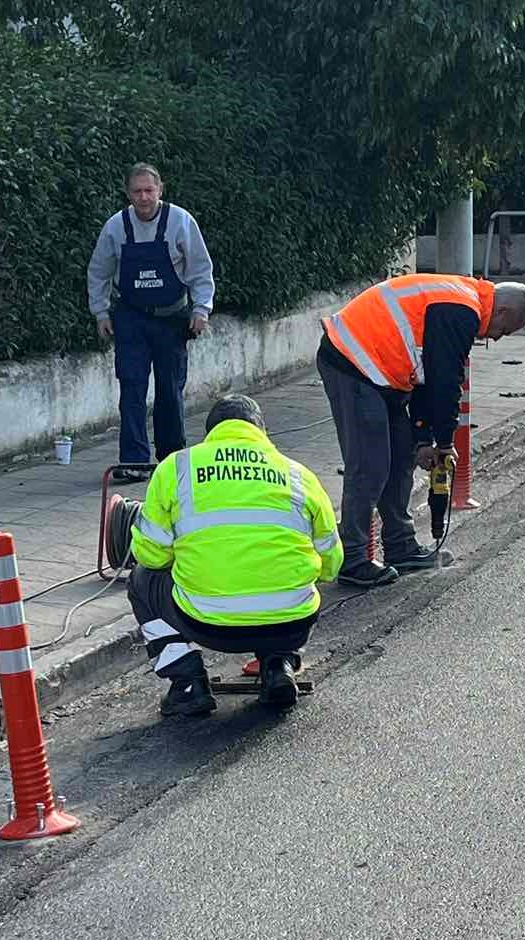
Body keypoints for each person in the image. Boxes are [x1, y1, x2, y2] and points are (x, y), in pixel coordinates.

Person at [127, 394, 343, 716]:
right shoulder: (299, 475)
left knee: (141, 581)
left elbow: (149, 555)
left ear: (211, 432)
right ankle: (278, 665)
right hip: (291, 624)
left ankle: (188, 684)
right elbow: (331, 565)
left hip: (205, 624)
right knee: (292, 580)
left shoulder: (178, 467)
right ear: (262, 432)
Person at [316, 273, 525, 587]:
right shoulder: (463, 310)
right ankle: (352, 559)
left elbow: (425, 374)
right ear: (501, 312)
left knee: (401, 456)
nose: (496, 339)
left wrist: (422, 439)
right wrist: (445, 442)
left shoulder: (463, 300)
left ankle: (400, 547)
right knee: (370, 465)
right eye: (503, 331)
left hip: (380, 371)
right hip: (351, 361)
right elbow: (445, 383)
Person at [88, 162, 216, 482]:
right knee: (131, 387)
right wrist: (101, 313)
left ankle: (171, 459)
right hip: (130, 318)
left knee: (170, 389)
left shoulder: (181, 222)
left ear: (160, 190)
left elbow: (200, 269)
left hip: (172, 318)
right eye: (137, 191)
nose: (143, 197)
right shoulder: (116, 227)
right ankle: (134, 461)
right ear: (128, 193)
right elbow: (99, 271)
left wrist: (201, 309)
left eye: (149, 190)